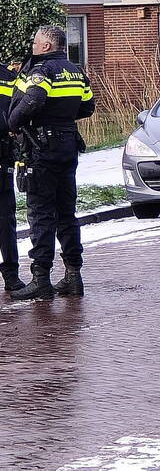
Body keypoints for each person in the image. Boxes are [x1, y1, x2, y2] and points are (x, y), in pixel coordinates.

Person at [7, 26, 94, 300]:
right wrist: (62, 118)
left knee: (41, 214)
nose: (32, 45)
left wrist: (14, 122)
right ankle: (73, 276)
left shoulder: (41, 71)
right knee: (67, 214)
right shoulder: (75, 71)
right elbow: (87, 106)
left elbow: (33, 99)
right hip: (67, 146)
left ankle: (40, 279)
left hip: (41, 149)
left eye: (35, 42)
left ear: (46, 45)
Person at [0, 63, 25, 293]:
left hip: (2, 157)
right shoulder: (9, 77)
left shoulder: (9, 77)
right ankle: (11, 275)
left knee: (6, 219)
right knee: (6, 219)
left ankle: (11, 274)